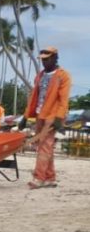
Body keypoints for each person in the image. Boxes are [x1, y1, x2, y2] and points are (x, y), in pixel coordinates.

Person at [19, 47, 71, 189]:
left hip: (53, 115)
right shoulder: (40, 76)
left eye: (47, 59)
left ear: (55, 58)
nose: (44, 62)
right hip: (39, 114)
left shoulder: (63, 76)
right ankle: (50, 178)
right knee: (44, 146)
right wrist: (25, 117)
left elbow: (63, 99)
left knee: (44, 146)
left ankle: (39, 178)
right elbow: (33, 97)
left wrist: (59, 118)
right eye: (42, 59)